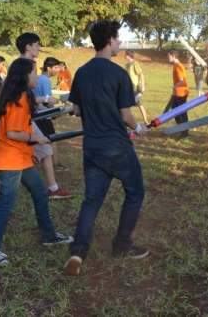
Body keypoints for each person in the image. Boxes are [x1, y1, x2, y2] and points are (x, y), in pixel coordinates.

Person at [63, 20, 149, 277]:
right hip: (117, 148)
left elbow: (76, 109)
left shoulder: (82, 72)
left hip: (92, 148)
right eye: (118, 39)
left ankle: (78, 251)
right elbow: (125, 115)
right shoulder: (119, 74)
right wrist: (138, 128)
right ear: (110, 40)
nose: (120, 43)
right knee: (135, 193)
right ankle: (122, 245)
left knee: (92, 200)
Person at [0, 58, 73, 265]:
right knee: (6, 205)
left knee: (40, 193)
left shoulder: (23, 97)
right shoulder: (19, 99)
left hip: (21, 157)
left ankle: (49, 236)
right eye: (34, 73)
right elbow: (13, 132)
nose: (37, 76)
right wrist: (36, 138)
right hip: (11, 160)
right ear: (25, 76)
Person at [33, 55, 72, 198]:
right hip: (42, 116)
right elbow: (48, 101)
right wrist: (57, 107)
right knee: (50, 141)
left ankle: (52, 176)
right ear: (48, 68)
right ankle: (55, 167)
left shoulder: (40, 79)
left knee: (46, 143)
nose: (57, 70)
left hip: (38, 115)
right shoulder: (44, 80)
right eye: (55, 67)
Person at [167, 50, 190, 138]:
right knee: (176, 112)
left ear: (173, 56)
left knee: (181, 113)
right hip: (178, 93)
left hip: (181, 93)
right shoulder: (176, 66)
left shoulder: (178, 67)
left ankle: (184, 132)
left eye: (168, 56)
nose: (168, 58)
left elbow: (182, 81)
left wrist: (174, 86)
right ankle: (182, 130)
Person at [125, 50, 148, 123]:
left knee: (134, 104)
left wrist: (143, 86)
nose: (125, 56)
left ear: (129, 55)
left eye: (126, 55)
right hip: (129, 88)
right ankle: (144, 121)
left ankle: (145, 121)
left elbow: (141, 75)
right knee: (136, 104)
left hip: (135, 88)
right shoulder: (127, 65)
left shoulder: (135, 64)